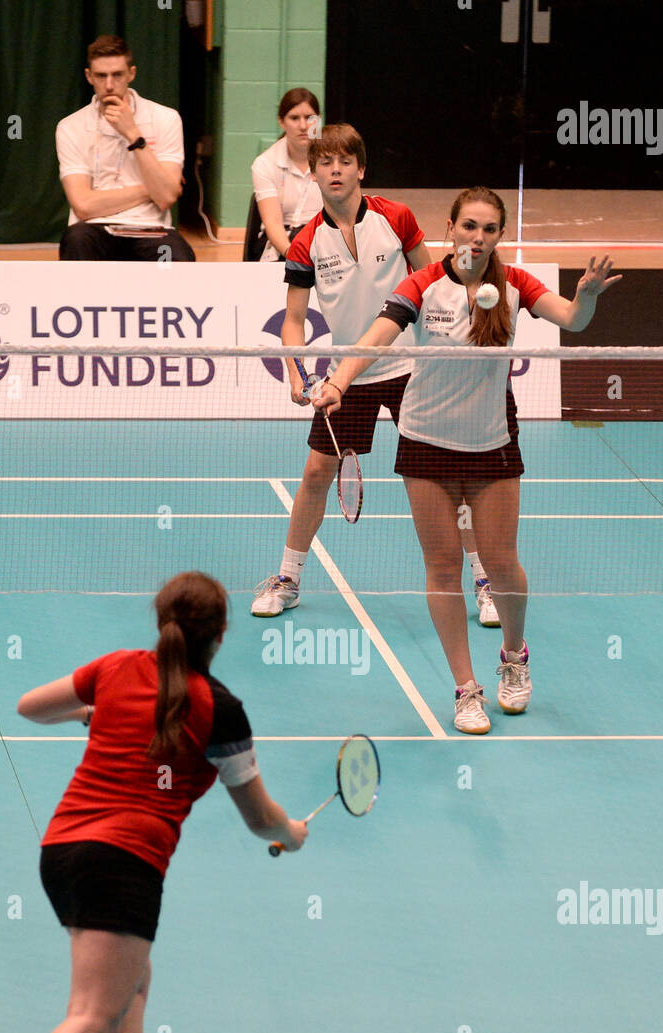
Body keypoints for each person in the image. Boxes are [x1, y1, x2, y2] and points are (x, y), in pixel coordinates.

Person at [0, 572, 306, 1033]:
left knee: (132, 983)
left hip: (62, 851)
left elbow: (28, 706)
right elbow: (260, 818)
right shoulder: (220, 709)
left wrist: (88, 712)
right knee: (92, 1015)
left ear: (160, 621)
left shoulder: (115, 668)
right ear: (222, 635)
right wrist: (290, 835)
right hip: (123, 865)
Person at [315, 186, 621, 732]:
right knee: (442, 568)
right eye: (468, 226)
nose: (477, 237)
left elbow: (573, 321)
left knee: (502, 564)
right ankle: (465, 688)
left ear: (499, 235)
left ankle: (513, 656)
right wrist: (339, 380)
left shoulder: (515, 285)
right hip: (425, 440)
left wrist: (589, 296)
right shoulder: (423, 283)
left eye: (488, 229)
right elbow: (377, 339)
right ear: (450, 229)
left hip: (490, 441)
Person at [251, 123, 433, 617]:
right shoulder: (305, 242)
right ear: (313, 173)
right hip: (346, 375)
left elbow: (431, 280)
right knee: (315, 472)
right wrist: (295, 372)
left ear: (361, 169)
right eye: (325, 162)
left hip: (410, 368)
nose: (335, 170)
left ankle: (481, 579)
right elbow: (293, 321)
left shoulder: (396, 218)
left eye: (345, 161)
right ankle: (288, 577)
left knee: (441, 474)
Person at [56, 34, 195, 262]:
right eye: (101, 76)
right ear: (89, 77)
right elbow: (83, 206)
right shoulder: (70, 127)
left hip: (150, 227)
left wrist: (133, 135)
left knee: (177, 256)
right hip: (93, 228)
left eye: (117, 75)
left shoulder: (166, 118)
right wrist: (151, 188)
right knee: (76, 241)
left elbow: (167, 197)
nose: (109, 85)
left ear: (131, 74)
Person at [250, 88, 325, 262]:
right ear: (281, 122)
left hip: (325, 238)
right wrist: (293, 256)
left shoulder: (334, 157)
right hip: (283, 241)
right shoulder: (265, 163)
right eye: (294, 118)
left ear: (318, 120)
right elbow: (273, 223)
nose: (303, 126)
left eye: (309, 118)